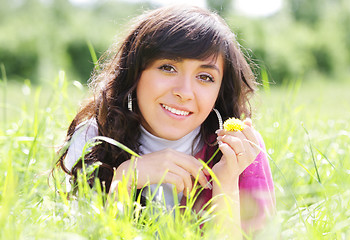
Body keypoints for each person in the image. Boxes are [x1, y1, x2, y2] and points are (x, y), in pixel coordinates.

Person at [56, 5, 275, 237]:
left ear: (220, 90)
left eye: (204, 77)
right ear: (134, 72)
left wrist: (225, 183)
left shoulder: (240, 151)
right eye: (168, 68)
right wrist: (124, 180)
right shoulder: (94, 138)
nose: (185, 92)